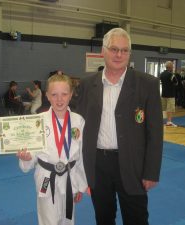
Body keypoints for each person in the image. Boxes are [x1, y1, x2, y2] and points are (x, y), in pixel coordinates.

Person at [77, 28, 163, 225]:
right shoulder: (87, 84)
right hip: (98, 165)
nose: (119, 55)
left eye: (125, 50)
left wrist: (151, 171)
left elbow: (155, 133)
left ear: (130, 53)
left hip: (133, 165)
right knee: (103, 218)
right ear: (103, 51)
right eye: (114, 49)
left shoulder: (147, 84)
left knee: (137, 219)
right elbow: (75, 125)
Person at [17, 74, 87, 225]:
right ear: (47, 96)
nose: (59, 99)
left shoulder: (78, 120)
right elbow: (32, 153)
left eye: (64, 94)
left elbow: (81, 155)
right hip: (46, 178)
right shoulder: (39, 120)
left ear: (71, 95)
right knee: (48, 219)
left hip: (70, 177)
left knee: (68, 219)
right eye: (54, 95)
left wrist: (81, 185)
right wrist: (26, 158)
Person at [159, 61, 178, 127]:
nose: (173, 67)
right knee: (169, 109)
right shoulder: (171, 75)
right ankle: (169, 122)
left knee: (162, 108)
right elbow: (176, 83)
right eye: (172, 66)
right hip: (170, 94)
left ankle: (159, 120)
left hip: (163, 94)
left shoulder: (161, 74)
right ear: (170, 67)